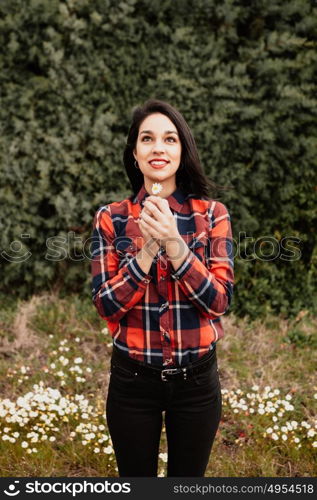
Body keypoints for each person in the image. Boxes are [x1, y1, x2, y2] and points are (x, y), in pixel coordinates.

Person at [91, 99, 234, 477]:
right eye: (147, 138)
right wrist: (148, 248)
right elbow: (106, 305)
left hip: (197, 384)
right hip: (132, 383)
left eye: (170, 139)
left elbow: (218, 300)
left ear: (181, 151)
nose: (158, 147)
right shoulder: (111, 218)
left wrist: (175, 243)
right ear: (134, 152)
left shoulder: (212, 214)